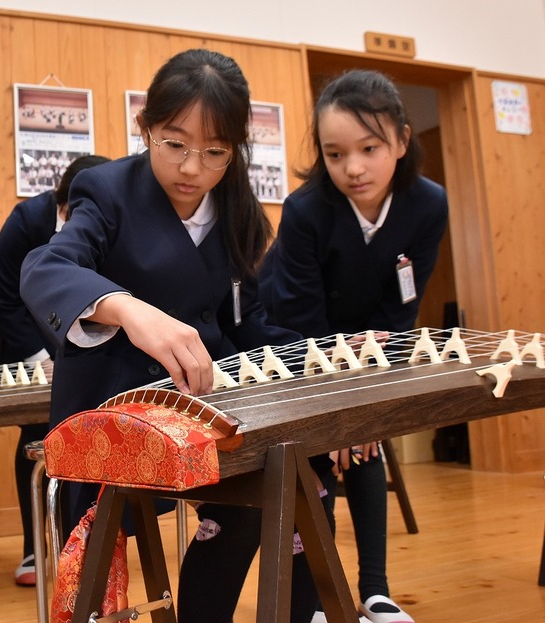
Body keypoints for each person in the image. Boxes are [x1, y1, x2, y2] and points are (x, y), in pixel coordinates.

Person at [19, 48, 324, 623]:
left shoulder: (237, 209)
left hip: (202, 401)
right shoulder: (106, 192)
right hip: (115, 404)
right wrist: (128, 309)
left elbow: (246, 322)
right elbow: (47, 266)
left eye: (214, 152)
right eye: (174, 143)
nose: (191, 169)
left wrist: (321, 353)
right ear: (146, 128)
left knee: (301, 482)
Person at [259, 69, 449, 623]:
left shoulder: (427, 205)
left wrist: (364, 404)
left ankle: (375, 591)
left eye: (369, 148)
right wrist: (337, 403)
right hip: (292, 338)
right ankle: (317, 599)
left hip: (371, 344)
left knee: (366, 441)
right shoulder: (306, 210)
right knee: (318, 453)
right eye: (336, 154)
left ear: (402, 141)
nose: (354, 168)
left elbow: (400, 314)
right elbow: (298, 316)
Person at [0, 154, 110, 586]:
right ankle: (31, 551)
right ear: (62, 204)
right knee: (35, 439)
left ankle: (83, 545)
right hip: (25, 347)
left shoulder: (111, 218)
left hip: (86, 343)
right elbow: (2, 296)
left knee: (87, 436)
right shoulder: (26, 220)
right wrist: (41, 357)